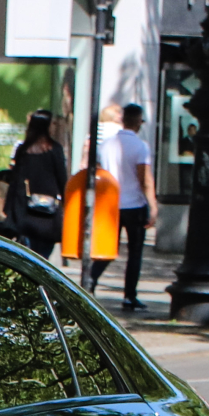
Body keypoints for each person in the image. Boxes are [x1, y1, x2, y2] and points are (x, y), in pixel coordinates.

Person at [86, 102, 158, 312]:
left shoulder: (106, 144)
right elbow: (145, 179)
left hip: (110, 203)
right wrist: (153, 206)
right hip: (134, 204)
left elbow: (98, 172)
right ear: (138, 122)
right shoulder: (140, 146)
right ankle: (129, 295)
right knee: (135, 252)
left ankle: (91, 280)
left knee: (108, 248)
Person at [5, 111, 68, 256]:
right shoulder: (55, 149)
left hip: (26, 210)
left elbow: (15, 182)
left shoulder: (23, 150)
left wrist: (9, 210)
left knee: (28, 255)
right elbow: (62, 178)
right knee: (43, 257)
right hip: (49, 210)